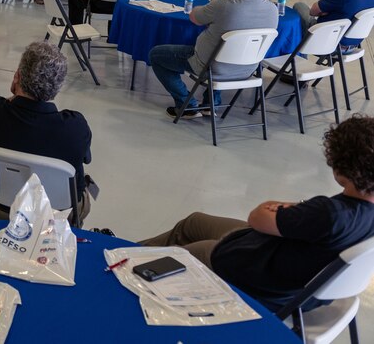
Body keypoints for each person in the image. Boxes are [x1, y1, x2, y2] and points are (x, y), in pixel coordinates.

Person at [139, 114, 374, 310]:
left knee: (173, 258)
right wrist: (294, 211)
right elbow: (294, 219)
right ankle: (128, 252)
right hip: (289, 272)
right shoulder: (348, 210)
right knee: (194, 223)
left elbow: (257, 217)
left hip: (256, 279)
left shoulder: (330, 213)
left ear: (341, 166)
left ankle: (125, 266)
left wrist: (282, 209)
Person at [150, 0, 278, 118]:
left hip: (211, 66)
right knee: (221, 49)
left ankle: (186, 104)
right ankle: (210, 104)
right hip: (249, 67)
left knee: (156, 54)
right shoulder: (273, 10)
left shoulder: (224, 5)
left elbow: (195, 17)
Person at [0, 42, 94, 221]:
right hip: (57, 213)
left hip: (0, 206)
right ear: (57, 88)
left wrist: (16, 91)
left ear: (17, 76)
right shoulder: (75, 128)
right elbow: (86, 158)